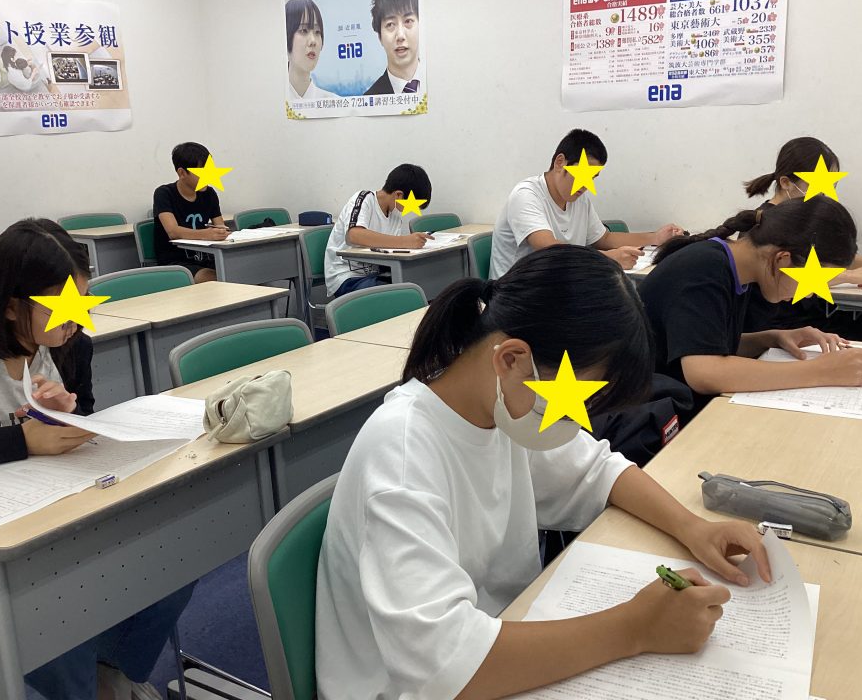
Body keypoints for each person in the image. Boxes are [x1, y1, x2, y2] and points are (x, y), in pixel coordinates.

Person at [316, 245, 771, 699]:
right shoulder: (404, 454)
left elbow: (597, 470)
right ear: (512, 359)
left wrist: (693, 527)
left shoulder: (499, 407)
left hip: (499, 638)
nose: (577, 421)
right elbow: (445, 666)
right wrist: (636, 629)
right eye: (574, 404)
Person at [0, 219, 192, 699]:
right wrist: (20, 441)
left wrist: (70, 416)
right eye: (61, 306)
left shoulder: (69, 343)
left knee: (173, 561)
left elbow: (76, 426)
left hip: (53, 508)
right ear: (8, 305)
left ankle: (112, 671)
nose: (76, 319)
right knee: (54, 613)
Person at [641, 197, 862, 415]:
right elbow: (704, 372)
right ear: (782, 259)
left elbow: (705, 345)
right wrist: (821, 371)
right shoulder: (704, 270)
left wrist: (772, 339)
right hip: (651, 413)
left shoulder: (737, 270)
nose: (810, 292)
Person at [742, 137, 862, 341]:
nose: (824, 194)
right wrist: (849, 276)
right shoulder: (763, 226)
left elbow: (828, 254)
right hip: (785, 328)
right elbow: (787, 278)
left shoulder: (805, 219)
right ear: (786, 183)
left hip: (816, 317)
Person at [490, 129, 684, 278]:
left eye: (592, 177)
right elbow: (549, 249)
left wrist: (655, 237)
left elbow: (604, 239)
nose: (585, 185)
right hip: (516, 298)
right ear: (560, 162)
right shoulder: (526, 195)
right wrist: (609, 258)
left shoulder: (579, 200)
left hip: (557, 288)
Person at [324, 163, 433, 297]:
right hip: (347, 277)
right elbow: (354, 235)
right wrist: (405, 241)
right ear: (399, 195)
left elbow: (392, 251)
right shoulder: (364, 199)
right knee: (399, 295)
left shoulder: (395, 215)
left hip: (378, 274)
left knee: (420, 283)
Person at [153, 141, 229, 283]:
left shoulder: (209, 194)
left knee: (237, 270)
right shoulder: (164, 194)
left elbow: (220, 226)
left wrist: (221, 232)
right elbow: (173, 232)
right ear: (182, 173)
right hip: (176, 262)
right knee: (215, 277)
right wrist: (206, 234)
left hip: (207, 258)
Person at [363, 0, 423, 96]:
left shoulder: (439, 79)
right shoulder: (370, 99)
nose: (400, 36)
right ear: (380, 37)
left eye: (408, 21)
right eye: (390, 24)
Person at [285, 0, 338, 100]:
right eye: (303, 30)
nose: (313, 41)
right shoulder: (272, 99)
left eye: (317, 32)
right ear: (287, 36)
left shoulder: (333, 102)